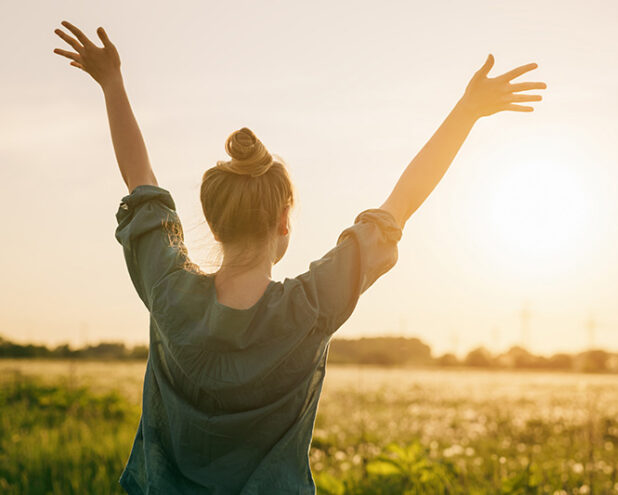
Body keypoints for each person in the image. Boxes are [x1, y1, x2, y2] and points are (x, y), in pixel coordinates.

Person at [53, 20, 546, 495]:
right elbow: (400, 205)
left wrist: (112, 83)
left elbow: (142, 185)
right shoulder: (310, 306)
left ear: (214, 221)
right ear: (284, 223)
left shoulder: (168, 291)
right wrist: (466, 112)